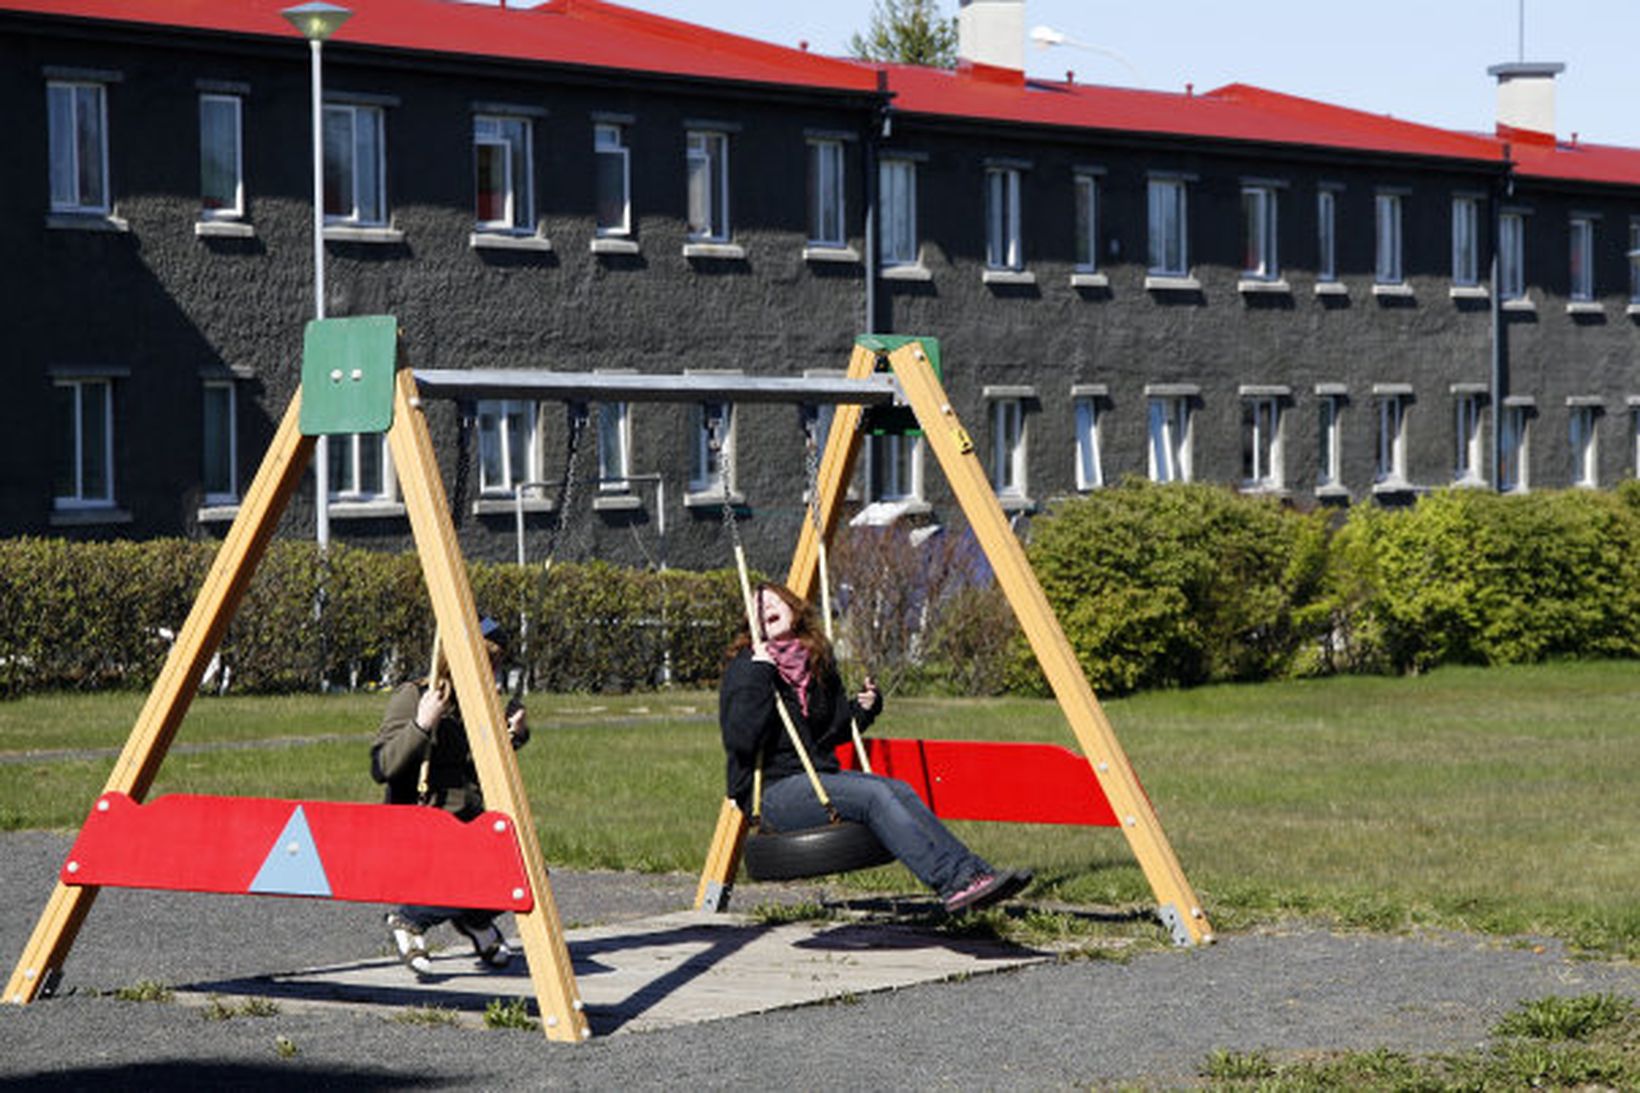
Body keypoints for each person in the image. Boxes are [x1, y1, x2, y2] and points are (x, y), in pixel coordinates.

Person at [719, 581, 1031, 914]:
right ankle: (953, 882)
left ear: (794, 609)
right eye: (756, 605)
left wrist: (865, 708)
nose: (765, 606)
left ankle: (973, 874)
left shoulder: (814, 663)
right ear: (749, 623)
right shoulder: (746, 667)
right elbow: (741, 739)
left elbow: (835, 730)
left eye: (773, 600)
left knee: (898, 788)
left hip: (816, 780)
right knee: (874, 796)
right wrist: (759, 672)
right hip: (772, 793)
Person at [371, 616, 529, 978]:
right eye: (486, 662)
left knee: (528, 870)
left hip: (470, 819)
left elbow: (477, 769)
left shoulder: (479, 704)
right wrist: (421, 725)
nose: (492, 672)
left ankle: (473, 917)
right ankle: (410, 919)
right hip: (426, 820)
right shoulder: (414, 695)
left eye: (496, 663)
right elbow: (383, 765)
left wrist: (512, 736)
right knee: (487, 869)